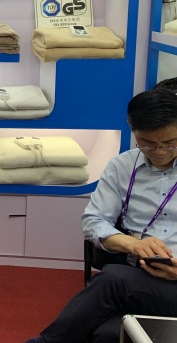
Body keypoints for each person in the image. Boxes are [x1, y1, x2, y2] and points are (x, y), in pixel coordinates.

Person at [25, 88, 177, 343]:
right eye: (148, 143)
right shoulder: (122, 166)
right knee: (106, 335)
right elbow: (93, 221)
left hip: (139, 283)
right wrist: (134, 245)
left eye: (170, 143)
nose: (159, 151)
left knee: (113, 280)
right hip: (139, 278)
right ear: (133, 130)